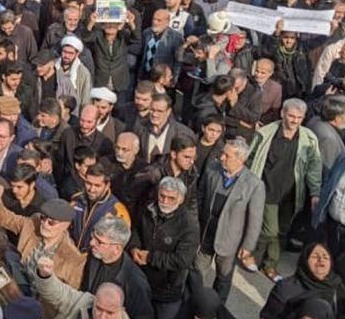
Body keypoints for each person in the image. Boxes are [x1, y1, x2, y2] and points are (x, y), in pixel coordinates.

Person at [246, 98, 322, 282]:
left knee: (282, 231)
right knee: (270, 230)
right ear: (282, 114)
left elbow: (314, 167)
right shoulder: (265, 134)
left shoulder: (309, 139)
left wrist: (314, 193)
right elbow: (250, 158)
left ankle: (265, 262)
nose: (295, 120)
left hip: (291, 194)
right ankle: (258, 258)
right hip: (266, 189)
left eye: (299, 117)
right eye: (291, 116)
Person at [196, 137, 265, 301]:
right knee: (196, 273)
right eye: (222, 154)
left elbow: (255, 220)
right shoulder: (212, 170)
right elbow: (200, 197)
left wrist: (247, 246)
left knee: (223, 278)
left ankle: (217, 309)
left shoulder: (253, 184)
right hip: (205, 233)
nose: (222, 158)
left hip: (229, 240)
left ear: (240, 159)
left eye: (227, 156)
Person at [132, 177, 199, 319]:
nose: (165, 201)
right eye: (162, 196)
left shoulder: (189, 224)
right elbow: (136, 230)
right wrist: (134, 247)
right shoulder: (147, 209)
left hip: (167, 291)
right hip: (141, 281)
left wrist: (150, 257)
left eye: (171, 198)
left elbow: (183, 260)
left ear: (180, 199)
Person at [260, 242, 345, 319]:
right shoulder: (286, 288)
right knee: (317, 307)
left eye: (326, 257)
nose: (321, 260)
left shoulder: (337, 286)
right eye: (314, 256)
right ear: (305, 262)